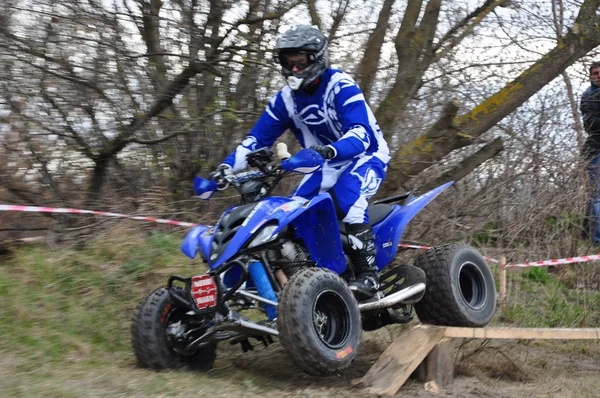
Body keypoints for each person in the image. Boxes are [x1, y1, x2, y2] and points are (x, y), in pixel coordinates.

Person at [212, 24, 390, 298]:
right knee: (292, 214)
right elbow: (256, 139)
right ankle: (310, 281)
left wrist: (328, 151)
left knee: (349, 199)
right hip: (326, 163)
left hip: (366, 155)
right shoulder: (284, 100)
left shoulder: (341, 86)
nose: (294, 69)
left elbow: (361, 134)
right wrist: (225, 168)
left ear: (317, 58)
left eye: (300, 62)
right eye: (287, 62)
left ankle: (369, 278)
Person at [581, 61, 600, 246]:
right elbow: (591, 125)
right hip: (596, 149)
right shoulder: (589, 97)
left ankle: (586, 234)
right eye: (595, 73)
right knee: (597, 196)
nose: (598, 75)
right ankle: (597, 240)